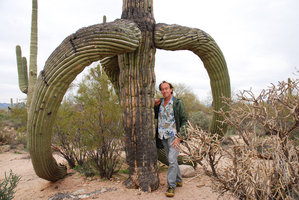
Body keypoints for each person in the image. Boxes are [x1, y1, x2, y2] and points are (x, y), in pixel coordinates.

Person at [154, 81, 188, 197]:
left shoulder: (178, 102)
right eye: (162, 89)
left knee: (172, 160)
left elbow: (184, 120)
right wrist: (154, 105)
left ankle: (171, 186)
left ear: (171, 89)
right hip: (162, 135)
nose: (164, 91)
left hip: (174, 136)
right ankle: (179, 180)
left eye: (166, 88)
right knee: (171, 160)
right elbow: (155, 116)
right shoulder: (160, 102)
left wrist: (180, 137)